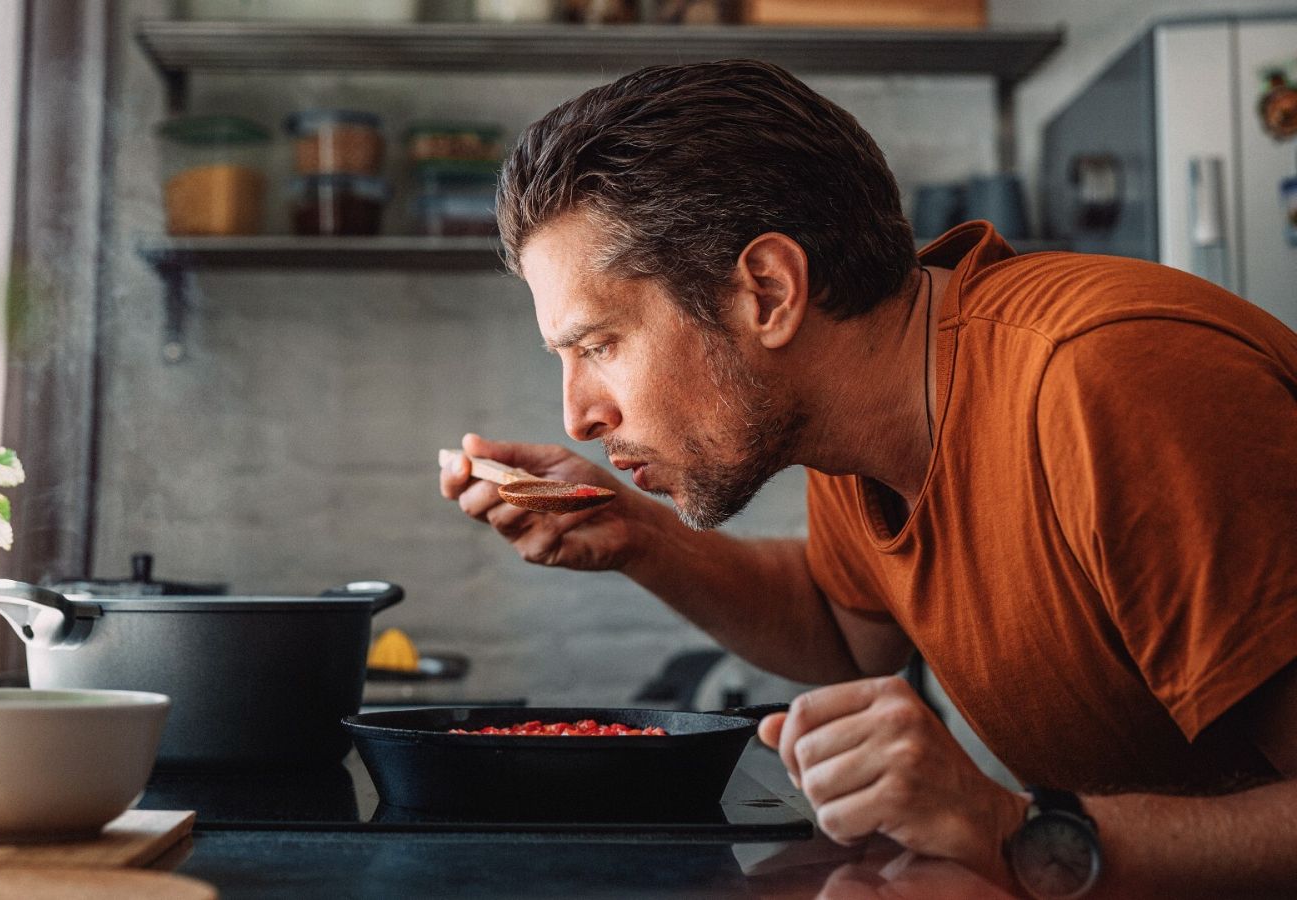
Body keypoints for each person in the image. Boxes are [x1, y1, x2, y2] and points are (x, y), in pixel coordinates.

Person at [439, 60, 1297, 899]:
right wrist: (638, 536)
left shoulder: (1111, 384)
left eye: (599, 346)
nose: (578, 416)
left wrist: (1014, 830)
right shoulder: (854, 418)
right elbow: (849, 636)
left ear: (768, 292)